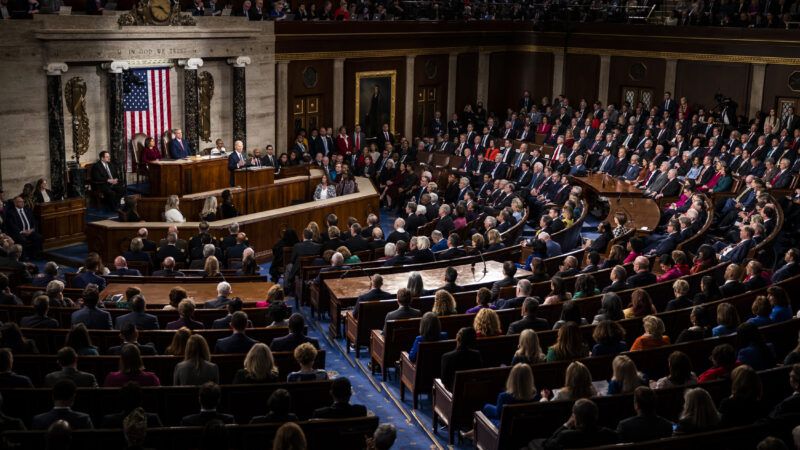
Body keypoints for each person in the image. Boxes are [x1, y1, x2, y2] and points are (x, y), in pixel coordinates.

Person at [539, 399, 617, 448]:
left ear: (575, 418)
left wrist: (566, 425)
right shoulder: (607, 433)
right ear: (596, 415)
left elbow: (547, 444)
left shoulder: (566, 436)